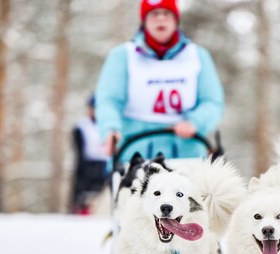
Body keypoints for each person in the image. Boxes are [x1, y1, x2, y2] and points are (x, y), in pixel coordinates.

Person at [95, 0, 224, 164]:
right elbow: (109, 100)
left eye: (167, 14)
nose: (161, 19)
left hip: (187, 152)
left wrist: (195, 122)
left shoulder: (197, 55)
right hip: (135, 152)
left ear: (176, 19)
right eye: (154, 14)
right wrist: (110, 129)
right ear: (144, 20)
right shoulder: (122, 55)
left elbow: (212, 101)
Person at [70, 95, 109, 215]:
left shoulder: (109, 125)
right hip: (87, 165)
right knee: (83, 194)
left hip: (105, 164)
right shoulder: (81, 126)